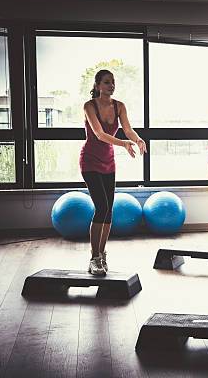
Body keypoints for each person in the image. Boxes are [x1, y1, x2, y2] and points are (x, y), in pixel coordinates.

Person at [80, 69, 147, 275]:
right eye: (107, 82)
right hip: (90, 161)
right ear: (98, 85)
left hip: (108, 162)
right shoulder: (89, 106)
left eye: (113, 82)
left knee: (109, 209)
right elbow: (99, 134)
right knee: (101, 207)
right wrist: (123, 143)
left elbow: (127, 129)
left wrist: (137, 139)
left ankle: (102, 254)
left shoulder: (119, 106)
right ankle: (94, 257)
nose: (111, 85)